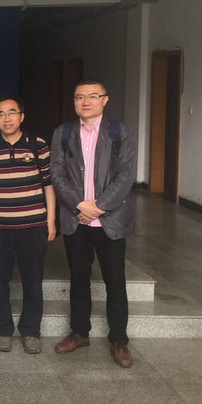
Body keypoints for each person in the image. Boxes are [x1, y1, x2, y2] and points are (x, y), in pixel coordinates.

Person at [50, 79, 137, 368]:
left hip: (110, 221)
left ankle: (119, 339)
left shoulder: (120, 133)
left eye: (92, 96)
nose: (85, 102)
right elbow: (57, 173)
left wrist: (98, 207)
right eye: (79, 97)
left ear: (105, 99)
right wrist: (80, 204)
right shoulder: (63, 133)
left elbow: (126, 176)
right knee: (78, 279)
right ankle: (79, 332)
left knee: (115, 281)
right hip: (76, 221)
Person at [0, 96, 56, 355]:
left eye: (12, 112)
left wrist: (51, 220)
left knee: (33, 280)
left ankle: (31, 330)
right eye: (1, 114)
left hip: (33, 225)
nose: (7, 118)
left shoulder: (38, 145)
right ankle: (3, 330)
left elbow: (48, 185)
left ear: (22, 116)